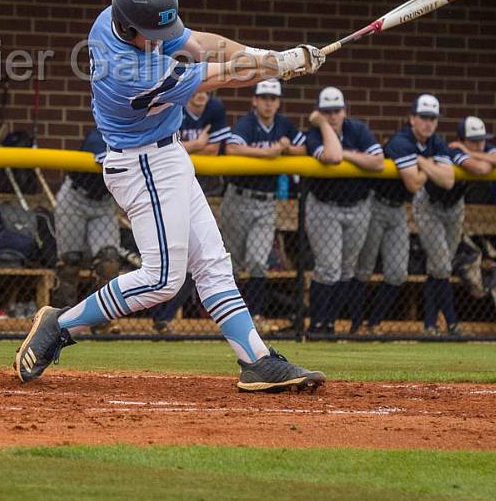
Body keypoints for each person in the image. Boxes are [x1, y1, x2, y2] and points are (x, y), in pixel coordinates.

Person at [14, 0, 328, 392]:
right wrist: (281, 64)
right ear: (127, 28)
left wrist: (271, 57)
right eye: (152, 33)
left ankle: (257, 360)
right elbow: (223, 75)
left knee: (214, 263)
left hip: (169, 155)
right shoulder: (131, 72)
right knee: (163, 279)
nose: (160, 39)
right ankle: (60, 324)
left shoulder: (115, 17)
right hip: (141, 166)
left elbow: (204, 47)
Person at [357, 94, 462, 333]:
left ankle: (373, 323)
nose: (428, 123)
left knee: (397, 273)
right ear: (412, 118)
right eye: (423, 117)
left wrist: (423, 164)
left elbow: (448, 181)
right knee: (363, 269)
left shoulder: (437, 142)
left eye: (432, 118)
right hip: (375, 205)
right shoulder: (401, 140)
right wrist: (431, 166)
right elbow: (414, 184)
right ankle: (353, 325)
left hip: (398, 209)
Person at [220, 80, 310, 319]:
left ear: (278, 102)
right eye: (264, 98)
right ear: (255, 101)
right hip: (238, 199)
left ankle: (255, 316)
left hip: (266, 203)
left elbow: (305, 149)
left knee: (259, 261)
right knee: (233, 264)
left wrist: (287, 148)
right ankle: (230, 317)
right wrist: (268, 153)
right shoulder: (248, 123)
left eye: (273, 99)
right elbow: (232, 148)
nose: (268, 103)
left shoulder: (283, 124)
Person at [417, 115, 496, 334]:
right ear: (461, 139)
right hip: (430, 205)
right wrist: (476, 156)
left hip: (453, 207)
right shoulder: (452, 150)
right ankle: (452, 323)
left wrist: (473, 151)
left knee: (440, 266)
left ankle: (430, 325)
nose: (480, 144)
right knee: (441, 265)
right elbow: (480, 169)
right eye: (474, 141)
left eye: (482, 140)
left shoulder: (476, 149)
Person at [302, 86, 383, 337]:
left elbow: (378, 162)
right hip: (325, 207)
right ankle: (318, 324)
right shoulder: (314, 134)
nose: (333, 116)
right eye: (326, 112)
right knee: (328, 268)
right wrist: (323, 125)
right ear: (319, 113)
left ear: (344, 111)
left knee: (347, 269)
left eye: (336, 111)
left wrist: (350, 153)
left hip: (358, 207)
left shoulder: (358, 129)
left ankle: (334, 324)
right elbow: (333, 157)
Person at [151, 91, 230, 331]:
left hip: (204, 191)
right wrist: (196, 145)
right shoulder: (173, 104)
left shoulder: (215, 108)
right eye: (195, 89)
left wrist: (185, 147)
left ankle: (164, 318)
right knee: (170, 260)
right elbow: (162, 147)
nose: (200, 95)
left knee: (202, 259)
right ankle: (158, 317)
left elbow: (215, 149)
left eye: (204, 89)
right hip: (169, 186)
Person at [56, 126, 119, 263]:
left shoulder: (142, 135)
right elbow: (103, 157)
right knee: (71, 261)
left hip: (104, 203)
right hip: (74, 199)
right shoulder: (102, 132)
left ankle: (102, 285)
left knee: (109, 259)